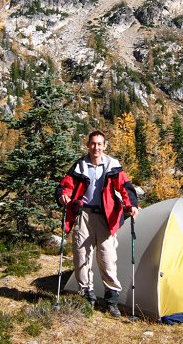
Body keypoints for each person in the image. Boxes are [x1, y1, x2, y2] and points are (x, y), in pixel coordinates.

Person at [55, 130, 139, 317]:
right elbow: (66, 185)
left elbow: (125, 187)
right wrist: (63, 195)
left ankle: (111, 300)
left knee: (107, 258)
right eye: (93, 143)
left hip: (106, 217)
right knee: (80, 256)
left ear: (105, 146)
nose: (96, 147)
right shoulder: (80, 165)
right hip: (84, 215)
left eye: (100, 144)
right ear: (88, 145)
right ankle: (86, 296)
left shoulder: (112, 165)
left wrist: (131, 205)